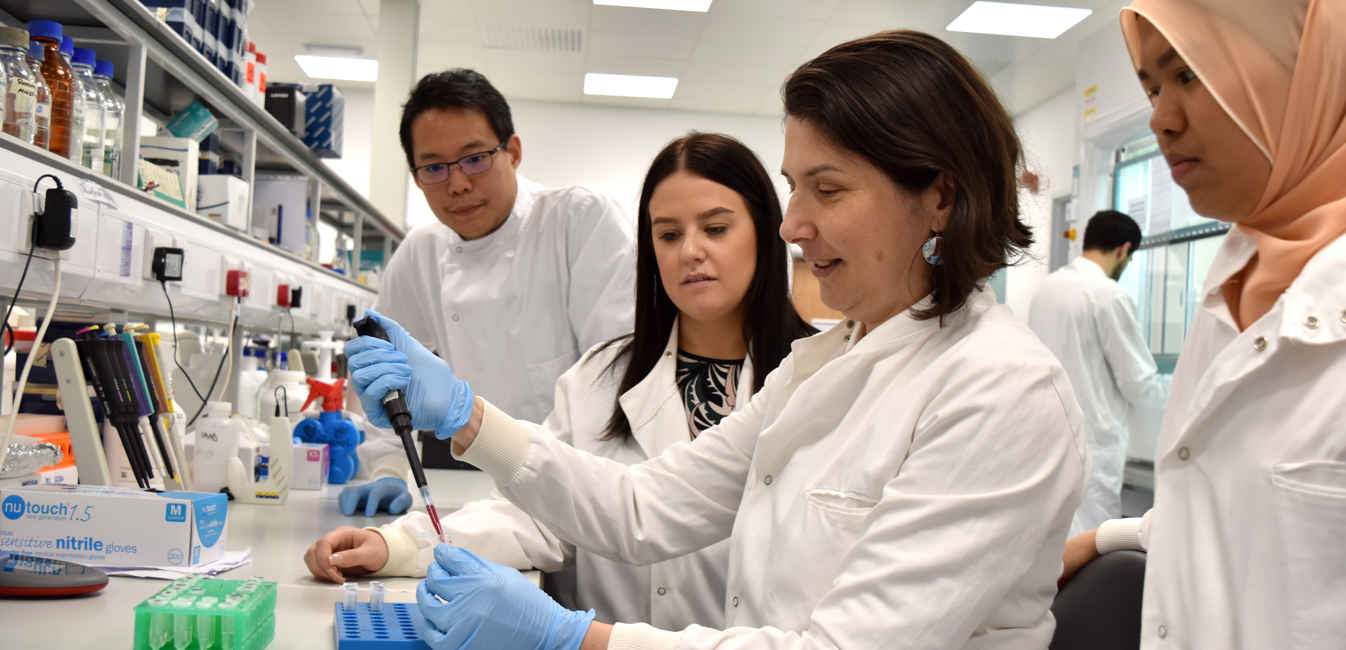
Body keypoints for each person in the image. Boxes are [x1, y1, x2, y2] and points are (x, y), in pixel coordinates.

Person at [346, 30, 1087, 650]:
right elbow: (642, 506)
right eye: (794, 188)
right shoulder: (826, 364)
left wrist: (574, 638)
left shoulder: (1001, 390)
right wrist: (468, 416)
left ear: (942, 195)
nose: (794, 225)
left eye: (826, 190)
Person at [304, 132, 817, 630]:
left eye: (716, 228)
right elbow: (542, 516)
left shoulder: (819, 381)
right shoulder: (602, 376)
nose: (690, 251)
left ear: (767, 231)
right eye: (668, 233)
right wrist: (399, 544)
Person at [1059, 1, 1346, 647]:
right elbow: (1243, 512)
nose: (1162, 118)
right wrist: (1105, 537)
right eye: (1151, 87)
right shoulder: (1239, 271)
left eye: (1187, 73)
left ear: (1307, 69)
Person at [338, 68, 637, 516]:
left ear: (513, 152)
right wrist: (384, 467)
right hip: (492, 498)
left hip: (589, 492)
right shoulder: (421, 253)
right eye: (435, 167)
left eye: (475, 158)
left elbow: (615, 375)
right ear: (417, 177)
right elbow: (379, 372)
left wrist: (546, 482)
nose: (458, 183)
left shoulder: (578, 221)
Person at [1028, 210, 1168, 534]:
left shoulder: (1047, 289)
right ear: (1123, 250)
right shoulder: (1108, 295)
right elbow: (1138, 382)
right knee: (1091, 543)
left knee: (1052, 540)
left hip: (1047, 439)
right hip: (1094, 447)